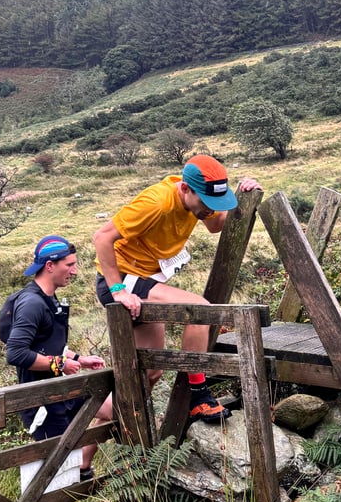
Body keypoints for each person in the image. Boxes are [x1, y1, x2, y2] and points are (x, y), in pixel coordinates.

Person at [93, 154, 261, 423]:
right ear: (185, 189)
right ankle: (199, 396)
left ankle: (85, 456)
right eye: (206, 203)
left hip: (145, 282)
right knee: (199, 310)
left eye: (215, 202)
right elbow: (102, 237)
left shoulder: (197, 200)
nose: (210, 209)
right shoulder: (156, 202)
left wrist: (240, 196)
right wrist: (118, 290)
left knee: (150, 374)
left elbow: (215, 225)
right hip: (123, 279)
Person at [5, 235, 113, 480]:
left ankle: (83, 466)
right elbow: (16, 352)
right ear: (50, 266)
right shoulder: (32, 303)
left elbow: (46, 345)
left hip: (63, 391)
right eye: (69, 265)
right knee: (61, 475)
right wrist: (60, 364)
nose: (74, 271)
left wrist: (79, 358)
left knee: (116, 410)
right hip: (41, 400)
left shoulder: (49, 298)